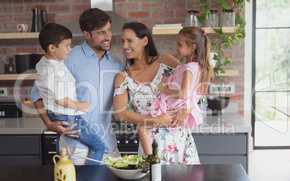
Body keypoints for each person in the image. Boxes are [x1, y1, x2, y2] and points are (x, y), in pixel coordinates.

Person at [31, 8, 123, 164]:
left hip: (108, 144)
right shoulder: (66, 57)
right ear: (87, 34)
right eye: (101, 32)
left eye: (109, 30)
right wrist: (48, 123)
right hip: (76, 148)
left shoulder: (117, 63)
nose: (108, 36)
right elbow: (36, 93)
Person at [113, 22, 200, 164]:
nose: (124, 46)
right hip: (149, 144)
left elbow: (192, 85)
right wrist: (156, 120)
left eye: (129, 41)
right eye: (123, 41)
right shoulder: (122, 77)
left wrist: (188, 108)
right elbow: (120, 113)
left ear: (145, 41)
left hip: (180, 140)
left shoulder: (166, 61)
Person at [137, 26, 214, 155]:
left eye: (180, 44)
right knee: (145, 128)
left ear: (193, 47)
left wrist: (164, 89)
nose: (177, 47)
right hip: (178, 108)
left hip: (173, 107)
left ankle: (150, 160)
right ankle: (151, 160)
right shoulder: (197, 67)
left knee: (143, 128)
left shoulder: (189, 68)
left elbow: (184, 93)